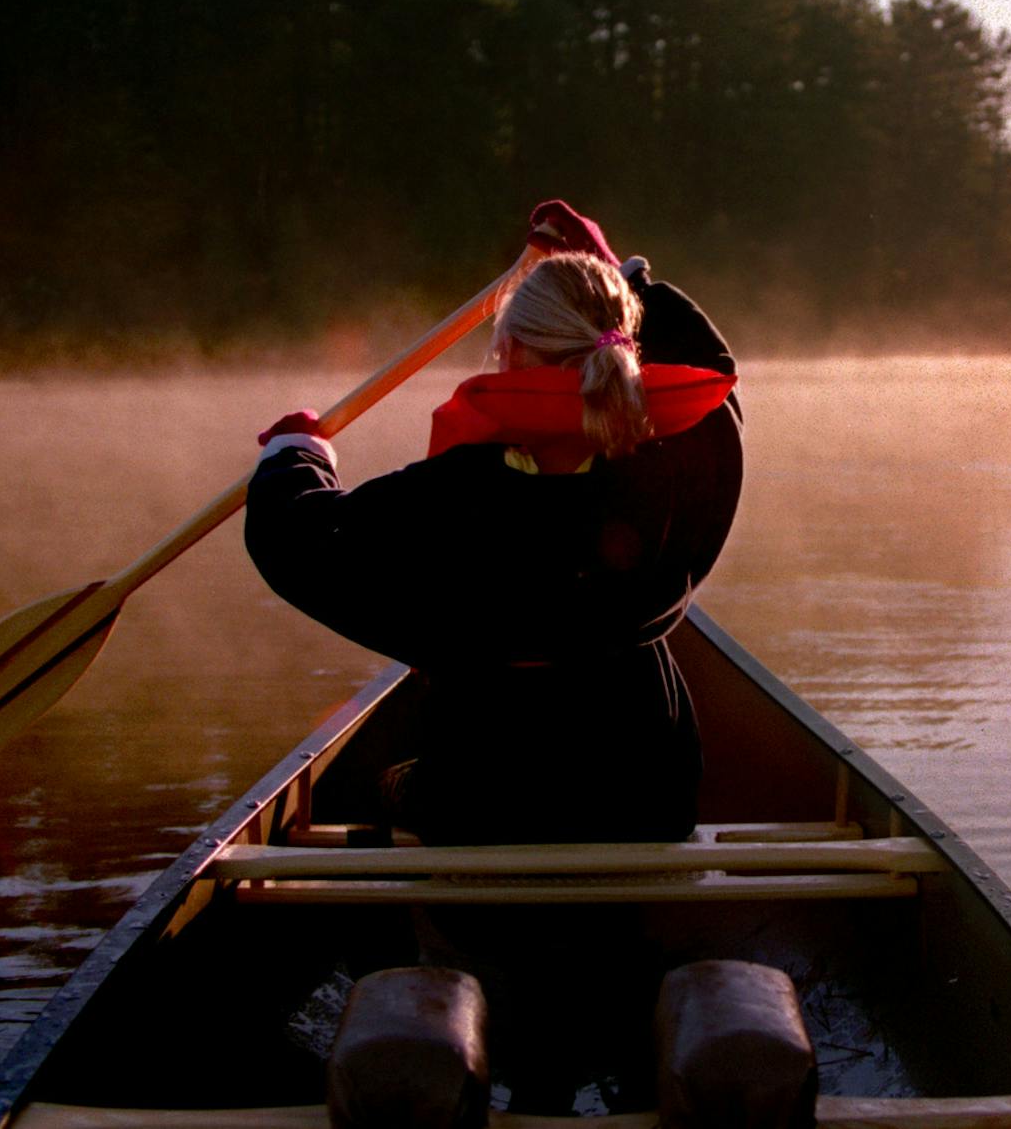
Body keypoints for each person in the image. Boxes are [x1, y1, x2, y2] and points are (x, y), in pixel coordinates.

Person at [245, 201, 742, 846]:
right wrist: (629, 277)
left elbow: (301, 542)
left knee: (394, 784)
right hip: (644, 799)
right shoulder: (672, 482)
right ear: (624, 351)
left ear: (508, 354)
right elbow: (719, 391)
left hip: (483, 807)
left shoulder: (450, 498)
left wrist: (296, 456)